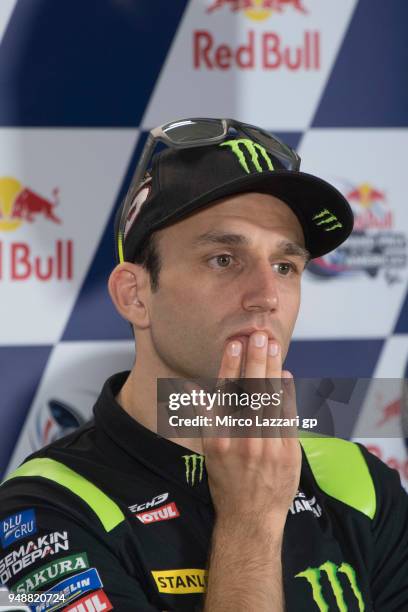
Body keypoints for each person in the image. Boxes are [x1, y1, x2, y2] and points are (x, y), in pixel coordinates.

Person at [0, 118, 407, 612]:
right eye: (223, 259)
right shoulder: (44, 511)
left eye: (285, 267)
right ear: (134, 295)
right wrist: (250, 519)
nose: (266, 297)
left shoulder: (358, 481)